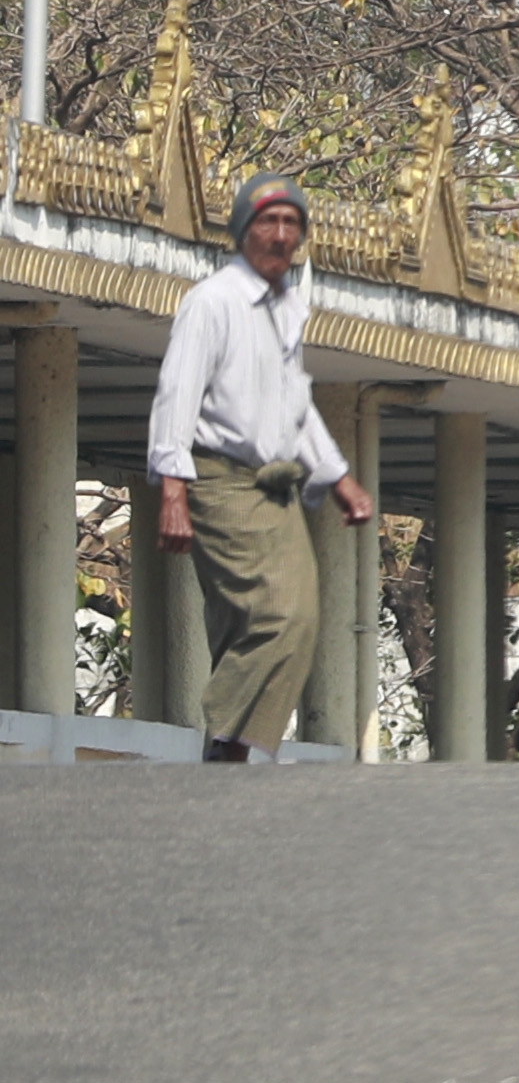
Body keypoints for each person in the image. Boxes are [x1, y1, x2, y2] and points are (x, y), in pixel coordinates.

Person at [150, 172, 376, 761]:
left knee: (287, 619)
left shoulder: (285, 308)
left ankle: (232, 752)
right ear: (243, 232)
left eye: (291, 224)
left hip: (274, 483)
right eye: (268, 223)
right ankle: (225, 733)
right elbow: (177, 392)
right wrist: (173, 488)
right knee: (280, 613)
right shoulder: (213, 301)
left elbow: (294, 404)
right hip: (219, 479)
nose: (280, 236)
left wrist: (340, 477)